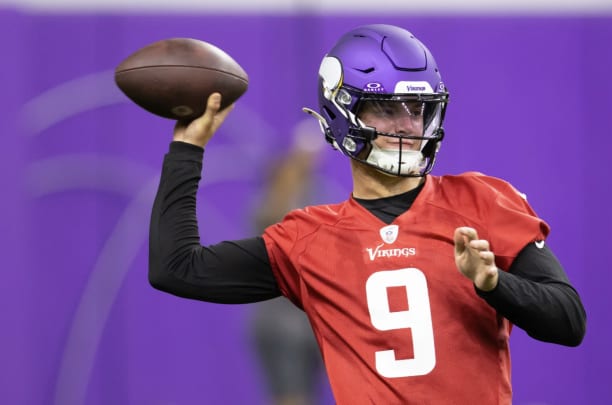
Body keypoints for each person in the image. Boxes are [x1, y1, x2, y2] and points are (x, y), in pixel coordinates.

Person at [149, 24, 586, 404]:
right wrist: (187, 149)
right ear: (341, 112)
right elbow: (176, 269)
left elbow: (569, 321)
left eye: (418, 110)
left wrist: (494, 284)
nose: (407, 125)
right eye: (386, 108)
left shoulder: (482, 201)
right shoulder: (307, 239)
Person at [249, 119, 330, 405]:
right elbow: (275, 217)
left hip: (310, 324)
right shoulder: (272, 200)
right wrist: (295, 162)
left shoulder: (319, 196)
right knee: (290, 397)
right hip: (279, 324)